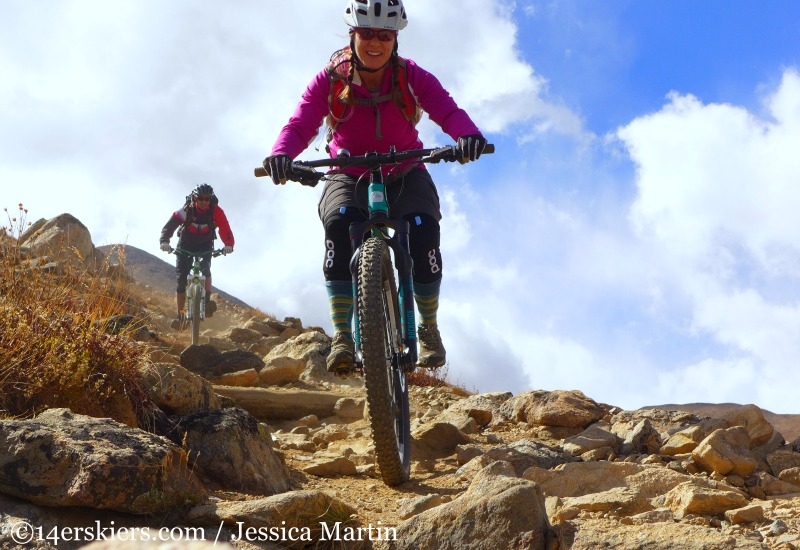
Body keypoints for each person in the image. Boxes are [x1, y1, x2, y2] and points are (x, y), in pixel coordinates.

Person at [263, 0, 487, 377]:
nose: (375, 42)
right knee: (338, 226)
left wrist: (468, 136)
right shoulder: (331, 79)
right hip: (349, 173)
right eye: (367, 33)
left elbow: (446, 109)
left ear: (395, 39)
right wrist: (281, 155)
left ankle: (428, 326)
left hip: (405, 170)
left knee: (424, 231)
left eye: (384, 35)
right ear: (353, 34)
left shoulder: (411, 76)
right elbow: (301, 122)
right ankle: (343, 338)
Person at [159, 183, 234, 323]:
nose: (204, 201)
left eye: (207, 199)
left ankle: (206, 301)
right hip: (185, 244)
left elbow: (225, 228)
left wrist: (228, 245)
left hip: (205, 244)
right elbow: (170, 225)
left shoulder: (216, 211)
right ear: (195, 198)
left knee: (205, 268)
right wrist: (164, 241)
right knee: (181, 281)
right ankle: (180, 316)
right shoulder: (187, 210)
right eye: (201, 198)